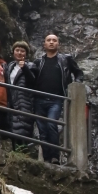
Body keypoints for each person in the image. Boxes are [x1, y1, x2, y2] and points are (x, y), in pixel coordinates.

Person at [28, 32, 83, 163]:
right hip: (39, 99)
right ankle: (46, 158)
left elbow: (78, 72)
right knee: (42, 130)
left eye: (54, 40)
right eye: (49, 40)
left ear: (58, 44)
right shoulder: (38, 61)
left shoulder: (66, 59)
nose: (51, 42)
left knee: (51, 124)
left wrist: (77, 83)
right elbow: (31, 79)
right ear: (44, 44)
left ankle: (54, 157)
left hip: (56, 99)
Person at [7, 40, 36, 149]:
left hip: (24, 101)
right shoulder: (10, 66)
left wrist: (25, 68)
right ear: (13, 52)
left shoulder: (31, 65)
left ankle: (23, 153)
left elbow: (33, 82)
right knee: (12, 128)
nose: (19, 53)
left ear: (26, 53)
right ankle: (15, 152)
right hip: (11, 101)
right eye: (17, 50)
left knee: (23, 129)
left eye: (22, 51)